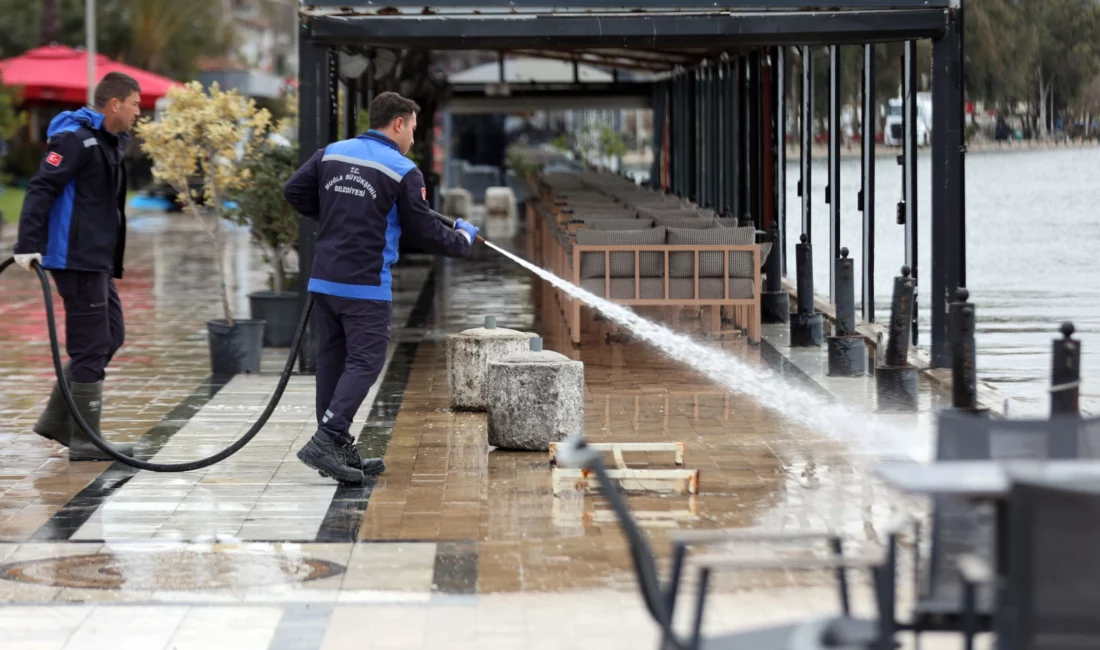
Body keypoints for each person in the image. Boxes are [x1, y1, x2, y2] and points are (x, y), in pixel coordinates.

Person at [283, 91, 479, 485]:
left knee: (333, 362)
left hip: (326, 280)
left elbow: (294, 191)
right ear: (398, 123)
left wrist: (340, 214)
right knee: (366, 362)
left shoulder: (331, 153)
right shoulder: (403, 170)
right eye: (412, 130)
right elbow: (425, 232)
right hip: (366, 285)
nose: (411, 139)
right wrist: (463, 239)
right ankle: (329, 436)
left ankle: (335, 445)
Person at [11, 72, 142, 461]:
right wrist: (27, 244)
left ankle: (56, 420)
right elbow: (42, 187)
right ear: (114, 104)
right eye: (134, 104)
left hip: (96, 259)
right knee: (90, 346)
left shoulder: (105, 141)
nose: (138, 112)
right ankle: (86, 440)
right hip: (75, 258)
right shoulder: (75, 139)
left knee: (111, 336)